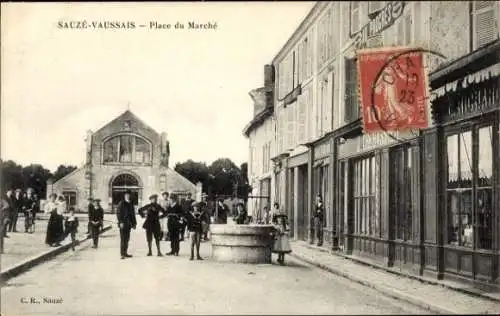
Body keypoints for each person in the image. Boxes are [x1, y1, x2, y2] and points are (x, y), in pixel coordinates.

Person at [117, 190, 137, 259]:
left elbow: (133, 215)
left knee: (127, 239)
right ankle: (122, 254)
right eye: (126, 195)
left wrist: (134, 223)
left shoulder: (131, 203)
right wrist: (120, 222)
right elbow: (119, 214)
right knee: (123, 239)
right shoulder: (121, 203)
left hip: (129, 224)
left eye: (129, 195)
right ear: (124, 196)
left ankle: (125, 253)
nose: (128, 196)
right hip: (123, 224)